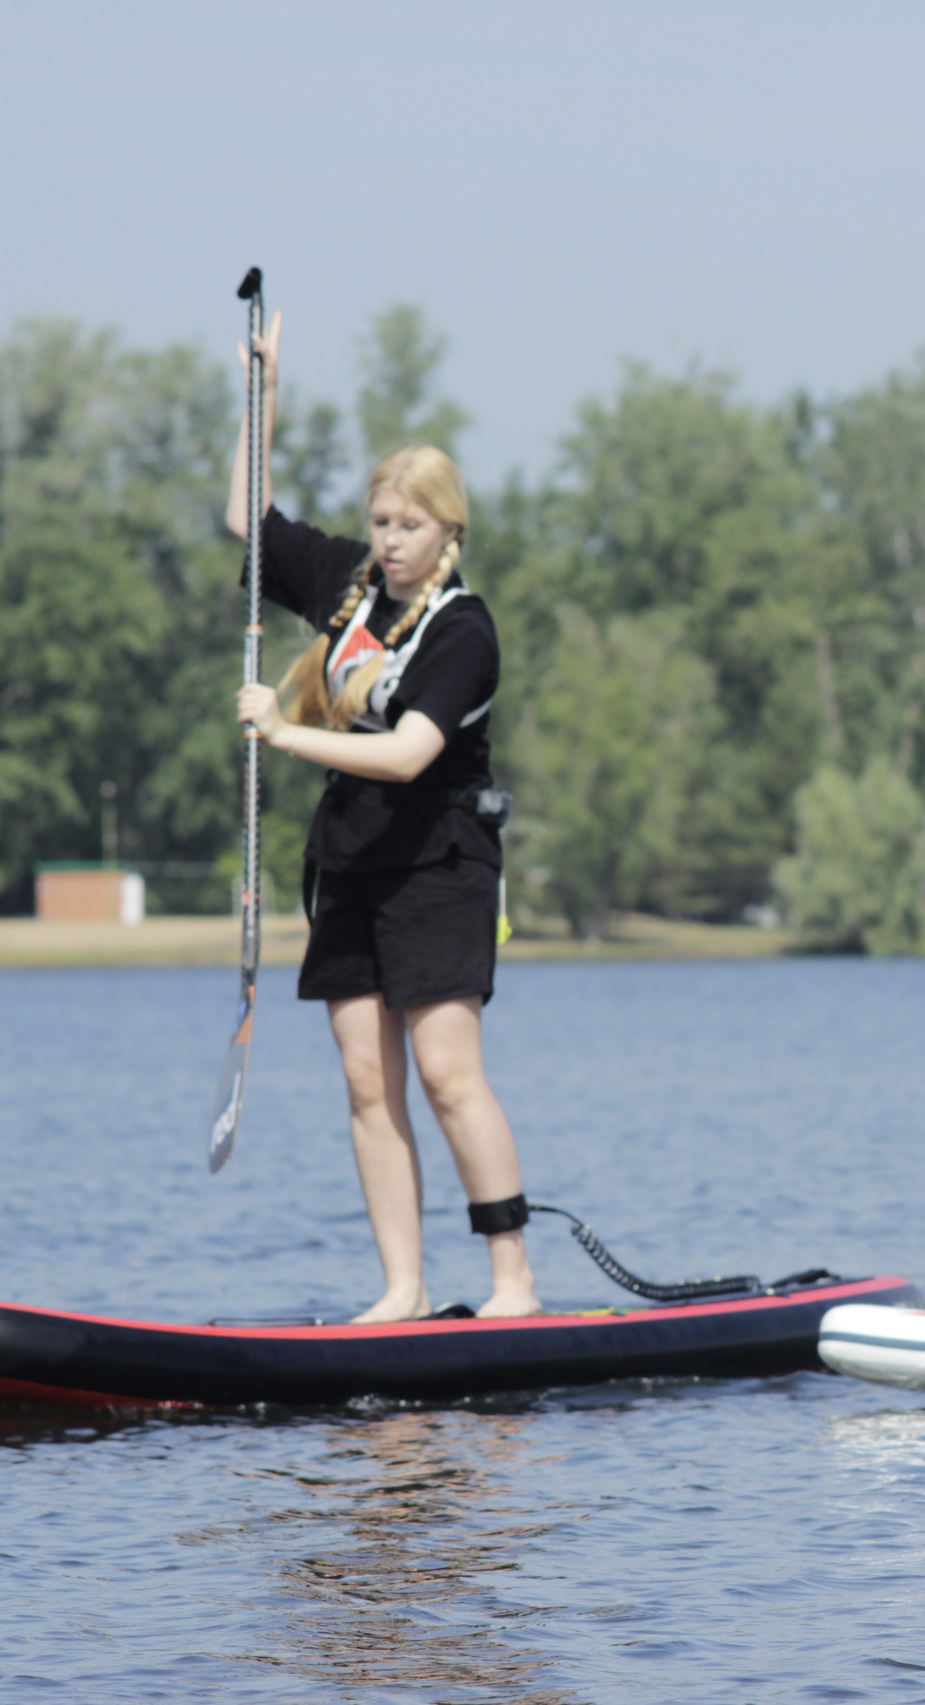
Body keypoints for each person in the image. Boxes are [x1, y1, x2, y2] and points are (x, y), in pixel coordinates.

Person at [224, 310, 537, 1323]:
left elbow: (407, 756)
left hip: (440, 868)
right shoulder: (352, 594)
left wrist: (281, 730)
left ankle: (511, 1286)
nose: (391, 543)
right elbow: (248, 520)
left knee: (447, 1075)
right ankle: (402, 1291)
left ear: (450, 530)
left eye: (410, 528)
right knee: (368, 1082)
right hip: (352, 869)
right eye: (381, 525)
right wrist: (261, 397)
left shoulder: (466, 632)